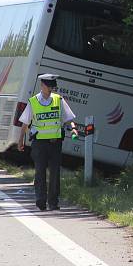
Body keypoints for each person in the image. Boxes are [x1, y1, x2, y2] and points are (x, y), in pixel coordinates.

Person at [17, 74, 78, 211]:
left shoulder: (58, 100)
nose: (51, 89)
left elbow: (68, 117)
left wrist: (73, 129)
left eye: (53, 87)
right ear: (42, 86)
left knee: (55, 173)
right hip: (39, 144)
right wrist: (20, 139)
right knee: (40, 172)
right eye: (49, 86)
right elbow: (25, 122)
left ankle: (53, 202)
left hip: (55, 143)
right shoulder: (33, 102)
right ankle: (40, 199)